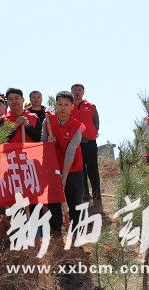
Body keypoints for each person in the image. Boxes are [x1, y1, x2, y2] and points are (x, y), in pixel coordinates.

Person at [42, 91, 85, 236]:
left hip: (73, 168)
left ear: (72, 106)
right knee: (53, 200)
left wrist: (64, 177)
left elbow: (70, 152)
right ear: (55, 105)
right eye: (60, 104)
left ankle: (75, 232)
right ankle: (55, 230)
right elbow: (42, 144)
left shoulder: (77, 126)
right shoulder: (47, 122)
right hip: (53, 167)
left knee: (74, 202)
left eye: (66, 105)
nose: (62, 108)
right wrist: (48, 143)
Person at [70, 84, 101, 202]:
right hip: (75, 143)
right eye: (74, 90)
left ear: (83, 92)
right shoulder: (68, 106)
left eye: (79, 90)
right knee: (80, 169)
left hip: (89, 142)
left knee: (93, 168)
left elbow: (96, 122)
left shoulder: (91, 106)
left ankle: (97, 194)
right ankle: (85, 194)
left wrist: (93, 132)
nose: (77, 92)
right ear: (71, 92)